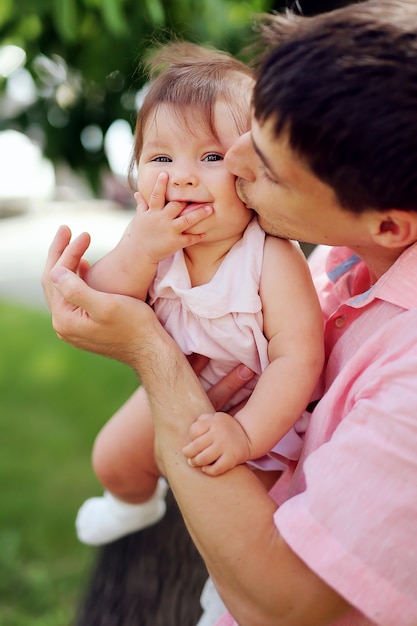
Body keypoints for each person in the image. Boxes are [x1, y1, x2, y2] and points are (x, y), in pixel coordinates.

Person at [42, 0, 417, 624]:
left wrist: (153, 357)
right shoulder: (340, 263)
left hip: (256, 516)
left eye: (265, 168)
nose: (234, 164)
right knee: (116, 456)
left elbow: (285, 601)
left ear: (386, 224)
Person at [74, 42, 324, 546]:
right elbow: (101, 301)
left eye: (211, 156)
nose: (183, 175)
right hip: (174, 386)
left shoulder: (269, 256)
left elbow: (297, 358)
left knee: (247, 520)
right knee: (113, 457)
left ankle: (229, 586)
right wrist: (139, 250)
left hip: (259, 411)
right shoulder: (151, 242)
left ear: (255, 173)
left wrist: (247, 432)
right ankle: (133, 503)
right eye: (161, 156)